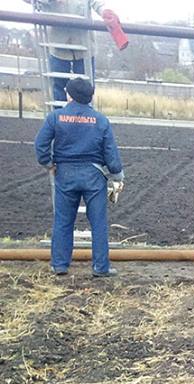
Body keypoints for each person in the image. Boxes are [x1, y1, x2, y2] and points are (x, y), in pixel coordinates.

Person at [34, 77, 123, 277]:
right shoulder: (101, 120)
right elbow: (111, 152)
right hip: (94, 176)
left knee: (63, 221)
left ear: (69, 95)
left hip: (65, 174)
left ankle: (59, 265)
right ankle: (101, 268)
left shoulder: (55, 117)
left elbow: (40, 145)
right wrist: (117, 175)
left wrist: (49, 164)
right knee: (98, 222)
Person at [25, 0, 105, 102]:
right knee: (58, 87)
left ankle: (83, 116)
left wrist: (105, 12)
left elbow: (98, 3)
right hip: (58, 47)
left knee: (85, 89)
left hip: (84, 47)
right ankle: (59, 115)